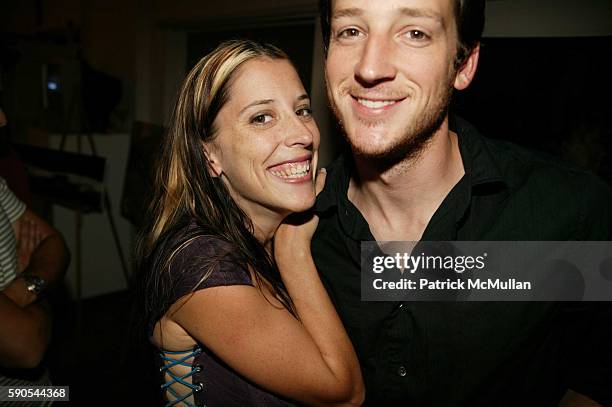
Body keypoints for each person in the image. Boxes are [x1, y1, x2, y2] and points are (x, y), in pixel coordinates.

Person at [292, 0, 612, 405]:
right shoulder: (290, 231)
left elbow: (592, 380)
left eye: (415, 33)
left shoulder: (572, 212)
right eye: (351, 31)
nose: (370, 68)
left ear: (463, 65)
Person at [136, 40, 364, 407]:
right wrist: (293, 252)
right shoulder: (199, 263)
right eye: (262, 117)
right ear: (210, 154)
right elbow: (344, 393)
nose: (304, 135)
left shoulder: (270, 235)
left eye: (302, 110)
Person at [0, 175, 69, 392]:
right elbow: (29, 345)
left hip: (40, 391)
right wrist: (39, 286)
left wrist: (21, 291)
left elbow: (53, 242)